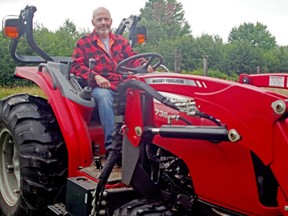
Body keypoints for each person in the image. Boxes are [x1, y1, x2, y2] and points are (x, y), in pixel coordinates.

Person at [70, 7, 149, 150]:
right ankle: (113, 147)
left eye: (106, 19)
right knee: (104, 97)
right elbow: (76, 66)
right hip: (100, 87)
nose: (103, 22)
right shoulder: (84, 42)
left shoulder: (120, 41)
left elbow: (132, 58)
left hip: (122, 84)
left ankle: (145, 144)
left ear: (111, 21)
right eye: (99, 19)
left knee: (144, 95)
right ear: (93, 22)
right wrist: (96, 77)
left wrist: (145, 65)